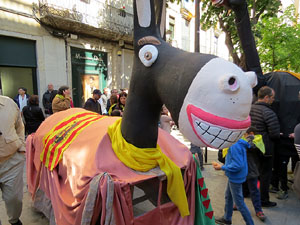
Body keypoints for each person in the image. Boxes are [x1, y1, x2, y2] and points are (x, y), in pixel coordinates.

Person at [213, 132, 255, 225]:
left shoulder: (234, 146)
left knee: (239, 203)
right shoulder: (237, 142)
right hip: (234, 176)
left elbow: (237, 165)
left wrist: (222, 167)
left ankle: (250, 223)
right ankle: (227, 218)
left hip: (235, 177)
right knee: (228, 197)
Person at [249, 86, 280, 207]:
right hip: (265, 149)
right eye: (272, 97)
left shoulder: (249, 109)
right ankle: (263, 200)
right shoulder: (269, 112)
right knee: (265, 175)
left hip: (250, 146)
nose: (273, 100)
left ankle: (247, 193)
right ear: (266, 97)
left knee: (251, 171)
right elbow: (275, 134)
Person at [0, 95, 26, 225]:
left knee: (15, 199)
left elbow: (19, 126)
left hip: (11, 161)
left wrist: (21, 146)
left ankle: (14, 220)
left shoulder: (9, 103)